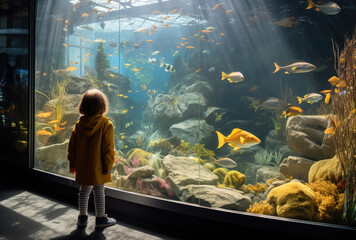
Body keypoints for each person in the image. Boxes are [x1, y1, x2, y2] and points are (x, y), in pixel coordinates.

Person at [67, 89, 116, 228]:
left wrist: (73, 163)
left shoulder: (79, 124)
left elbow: (72, 147)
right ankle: (100, 219)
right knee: (99, 191)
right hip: (98, 166)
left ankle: (82, 218)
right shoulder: (106, 125)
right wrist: (108, 166)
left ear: (83, 106)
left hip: (83, 166)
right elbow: (108, 149)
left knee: (84, 191)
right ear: (102, 106)